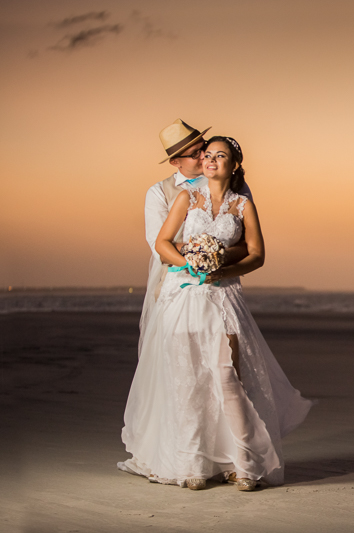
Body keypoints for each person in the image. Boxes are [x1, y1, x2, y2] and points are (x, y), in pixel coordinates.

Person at [118, 136, 312, 491]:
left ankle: (245, 463)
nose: (209, 160)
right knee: (188, 377)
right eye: (207, 155)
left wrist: (222, 269)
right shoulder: (185, 197)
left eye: (219, 155)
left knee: (228, 376)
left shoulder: (243, 204)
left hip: (223, 296)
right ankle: (193, 463)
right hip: (183, 295)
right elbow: (161, 244)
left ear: (234, 165)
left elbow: (256, 254)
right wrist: (190, 264)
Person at [140, 119, 252, 355]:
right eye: (194, 154)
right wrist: (201, 256)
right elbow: (159, 247)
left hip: (223, 288)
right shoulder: (159, 192)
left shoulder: (236, 188)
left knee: (226, 362)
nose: (204, 157)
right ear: (175, 162)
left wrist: (219, 258)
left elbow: (248, 244)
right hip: (177, 286)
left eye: (204, 148)